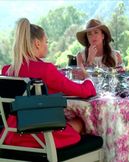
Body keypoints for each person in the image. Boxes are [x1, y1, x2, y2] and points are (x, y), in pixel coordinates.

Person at [1, 18, 96, 148]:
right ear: (37, 43)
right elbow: (84, 92)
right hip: (43, 138)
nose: (47, 45)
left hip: (12, 135)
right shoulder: (46, 69)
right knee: (82, 122)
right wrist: (88, 78)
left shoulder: (7, 70)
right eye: (46, 42)